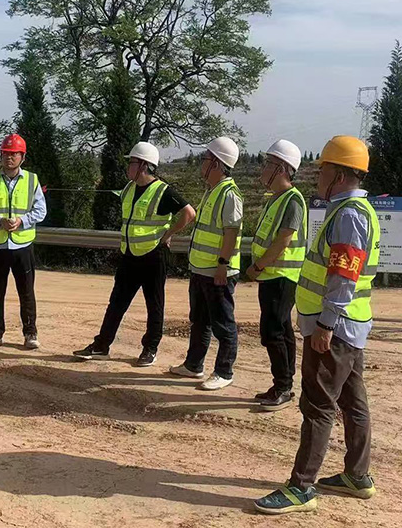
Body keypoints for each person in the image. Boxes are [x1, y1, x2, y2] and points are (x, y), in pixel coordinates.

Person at [254, 135, 380, 515]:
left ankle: (301, 486)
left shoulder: (349, 216)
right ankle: (357, 476)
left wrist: (325, 324)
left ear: (339, 175)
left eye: (322, 169)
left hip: (334, 329)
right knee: (352, 401)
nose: (318, 176)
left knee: (318, 404)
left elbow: (343, 276)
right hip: (348, 326)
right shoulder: (351, 211)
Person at [74, 142, 196, 366]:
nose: (127, 167)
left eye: (131, 162)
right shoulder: (129, 189)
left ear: (143, 165)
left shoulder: (162, 191)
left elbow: (189, 213)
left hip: (153, 255)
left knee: (154, 305)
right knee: (116, 303)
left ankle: (150, 349)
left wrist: (168, 234)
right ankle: (102, 345)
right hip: (129, 255)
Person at [169, 136, 243, 391]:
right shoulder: (212, 191)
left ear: (217, 164)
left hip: (217, 271)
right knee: (200, 320)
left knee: (223, 324)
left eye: (205, 159)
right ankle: (193, 365)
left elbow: (231, 232)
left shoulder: (229, 194)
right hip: (201, 268)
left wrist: (223, 263)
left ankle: (224, 371)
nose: (202, 164)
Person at [245, 140, 307, 412]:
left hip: (281, 276)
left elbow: (283, 240)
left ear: (281, 168)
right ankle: (284, 384)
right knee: (281, 330)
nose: (263, 168)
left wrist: (258, 267)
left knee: (273, 331)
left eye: (268, 164)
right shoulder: (278, 199)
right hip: (273, 275)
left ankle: (283, 387)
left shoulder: (292, 200)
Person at [0, 133, 47, 351]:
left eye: (14, 153)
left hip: (23, 246)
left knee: (27, 293)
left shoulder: (32, 180)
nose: (9, 157)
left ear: (23, 157)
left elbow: (41, 210)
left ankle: (30, 333)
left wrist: (22, 221)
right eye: (6, 153)